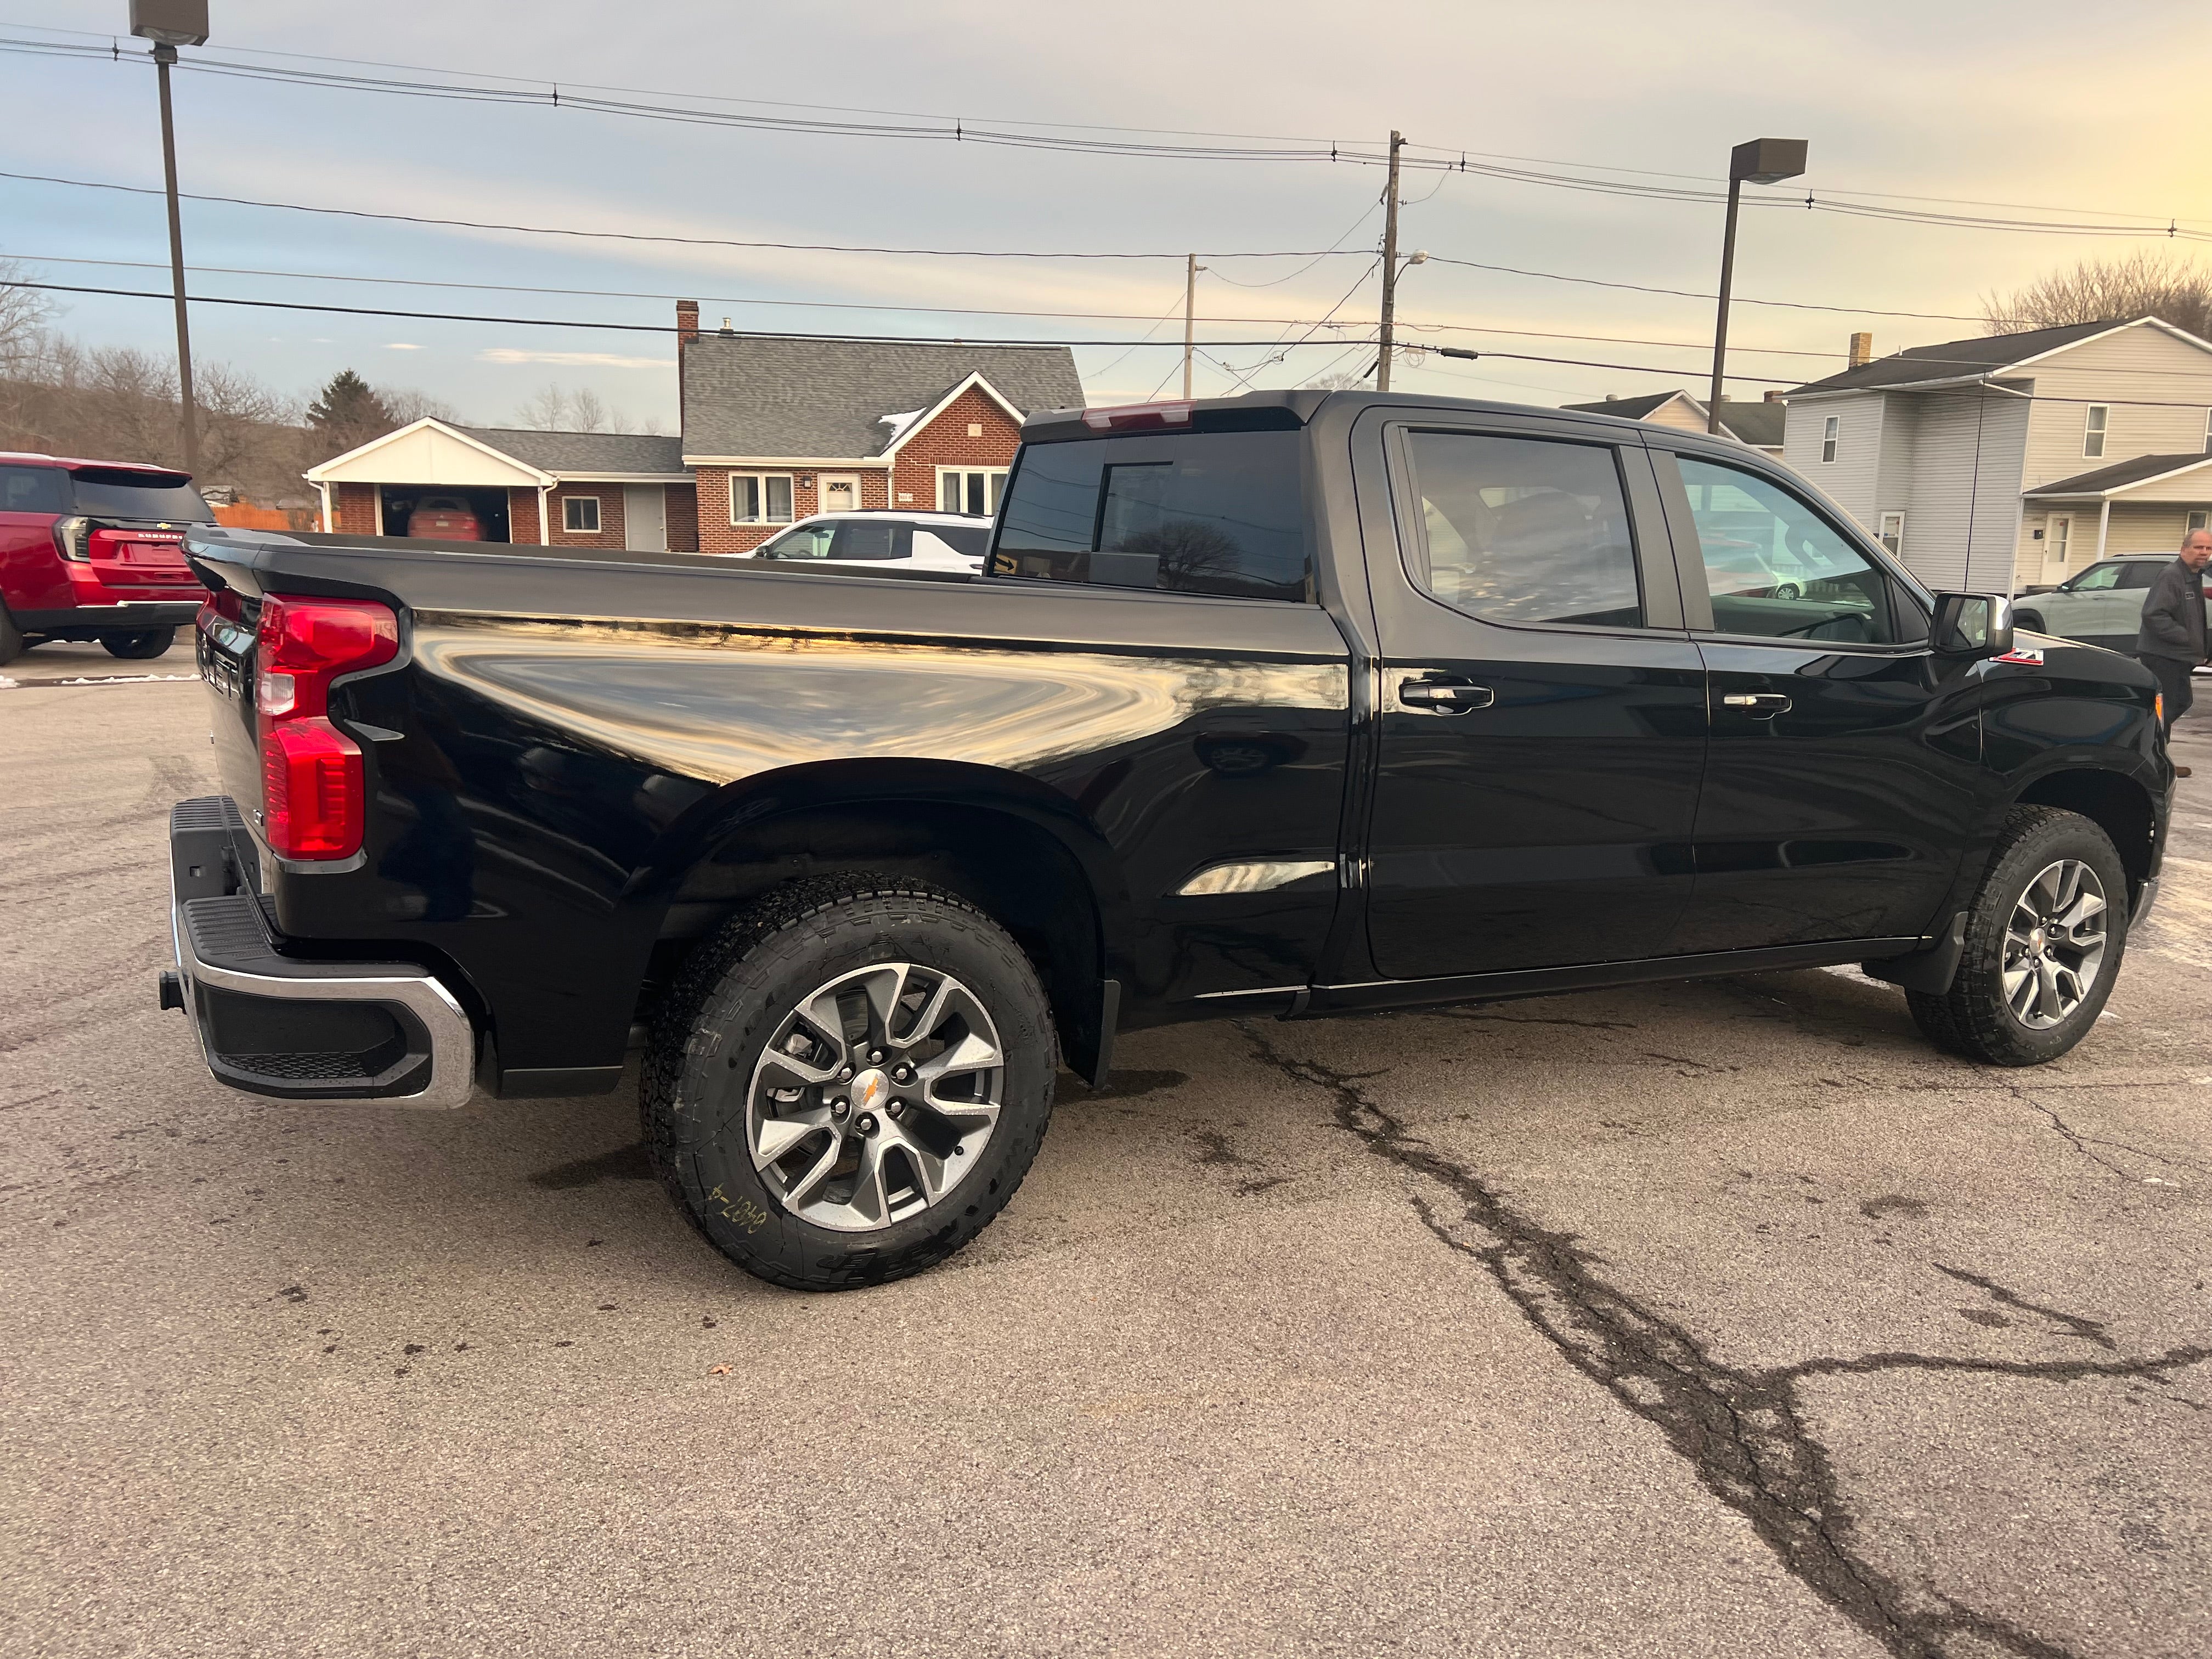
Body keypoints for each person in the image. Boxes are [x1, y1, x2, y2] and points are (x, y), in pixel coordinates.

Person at [2136, 527, 2212, 777]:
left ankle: (2158, 759)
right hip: (2162, 656)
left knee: (2175, 704)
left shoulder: (2193, 575)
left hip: (2179, 656)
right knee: (2166, 708)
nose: (2203, 552)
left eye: (2208, 548)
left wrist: (2200, 647)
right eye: (2198, 547)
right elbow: (2153, 615)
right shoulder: (2172, 575)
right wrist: (2187, 639)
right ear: (2184, 549)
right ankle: (2154, 763)